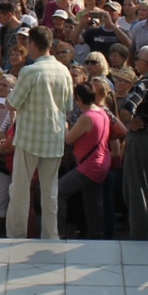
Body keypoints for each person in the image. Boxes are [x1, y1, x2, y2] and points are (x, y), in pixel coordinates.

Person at [5, 27, 74, 239]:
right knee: (50, 192)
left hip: (29, 138)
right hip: (54, 137)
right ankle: (50, 235)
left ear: (33, 44)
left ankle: (16, 235)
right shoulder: (64, 71)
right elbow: (69, 107)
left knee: (20, 191)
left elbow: (12, 103)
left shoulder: (30, 71)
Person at [60, 81, 112, 237]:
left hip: (89, 165)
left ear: (78, 99)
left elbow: (68, 139)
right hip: (101, 162)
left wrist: (64, 123)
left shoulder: (86, 117)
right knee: (93, 200)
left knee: (59, 190)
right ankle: (96, 234)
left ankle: (59, 232)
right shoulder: (102, 111)